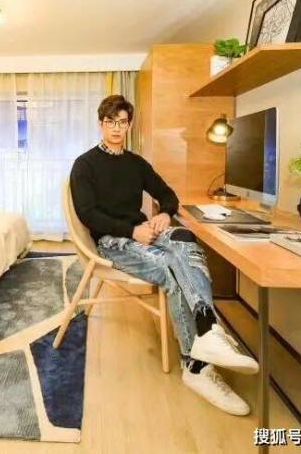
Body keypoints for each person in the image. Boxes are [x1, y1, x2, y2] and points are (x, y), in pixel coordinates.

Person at [69, 95, 259, 416]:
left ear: (129, 125)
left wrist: (164, 214)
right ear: (101, 124)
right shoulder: (85, 165)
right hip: (113, 241)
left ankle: (206, 329)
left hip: (146, 231)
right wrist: (132, 231)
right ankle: (196, 365)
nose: (116, 128)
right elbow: (88, 214)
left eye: (122, 122)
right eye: (110, 122)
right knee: (172, 268)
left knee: (186, 239)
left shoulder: (136, 164)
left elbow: (167, 194)